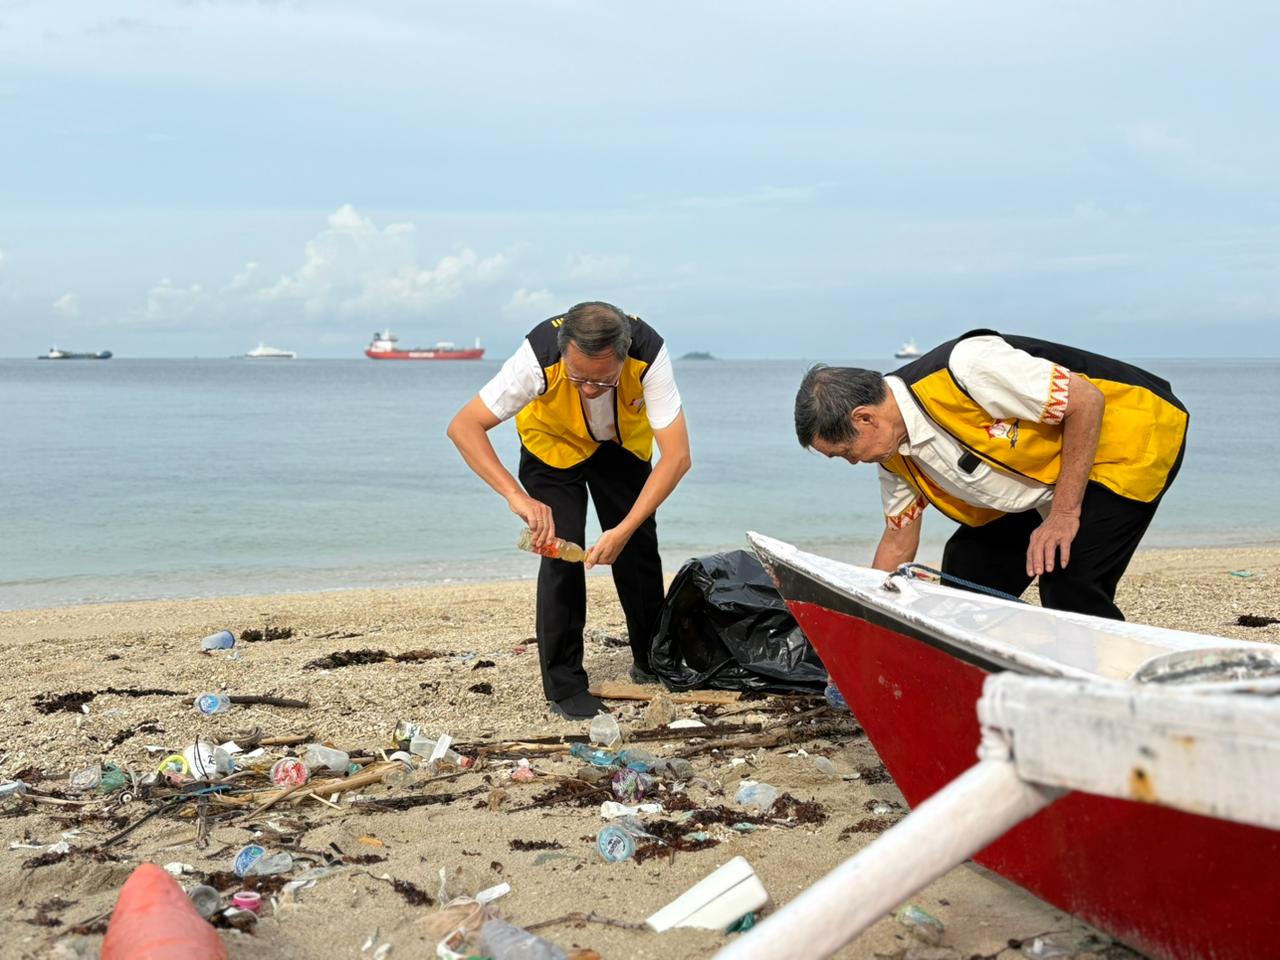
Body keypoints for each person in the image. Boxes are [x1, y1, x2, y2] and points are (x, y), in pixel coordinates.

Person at [793, 329, 1188, 620]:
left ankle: (1106, 686)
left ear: (864, 418)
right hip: (1043, 478)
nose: (851, 462)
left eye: (844, 452)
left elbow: (1085, 401)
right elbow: (898, 543)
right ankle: (982, 668)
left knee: (1067, 580)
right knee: (967, 567)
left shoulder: (967, 366)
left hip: (1128, 438)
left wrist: (1065, 515)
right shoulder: (892, 453)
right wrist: (860, 620)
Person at [447, 302, 692, 719]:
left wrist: (624, 528)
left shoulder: (648, 353)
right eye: (578, 377)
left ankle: (652, 659)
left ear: (623, 356)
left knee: (637, 546)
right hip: (552, 446)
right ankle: (564, 685)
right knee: (560, 550)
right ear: (563, 353)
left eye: (603, 380)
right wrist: (517, 497)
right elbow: (463, 426)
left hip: (620, 446)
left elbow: (678, 457)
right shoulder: (538, 355)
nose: (590, 388)